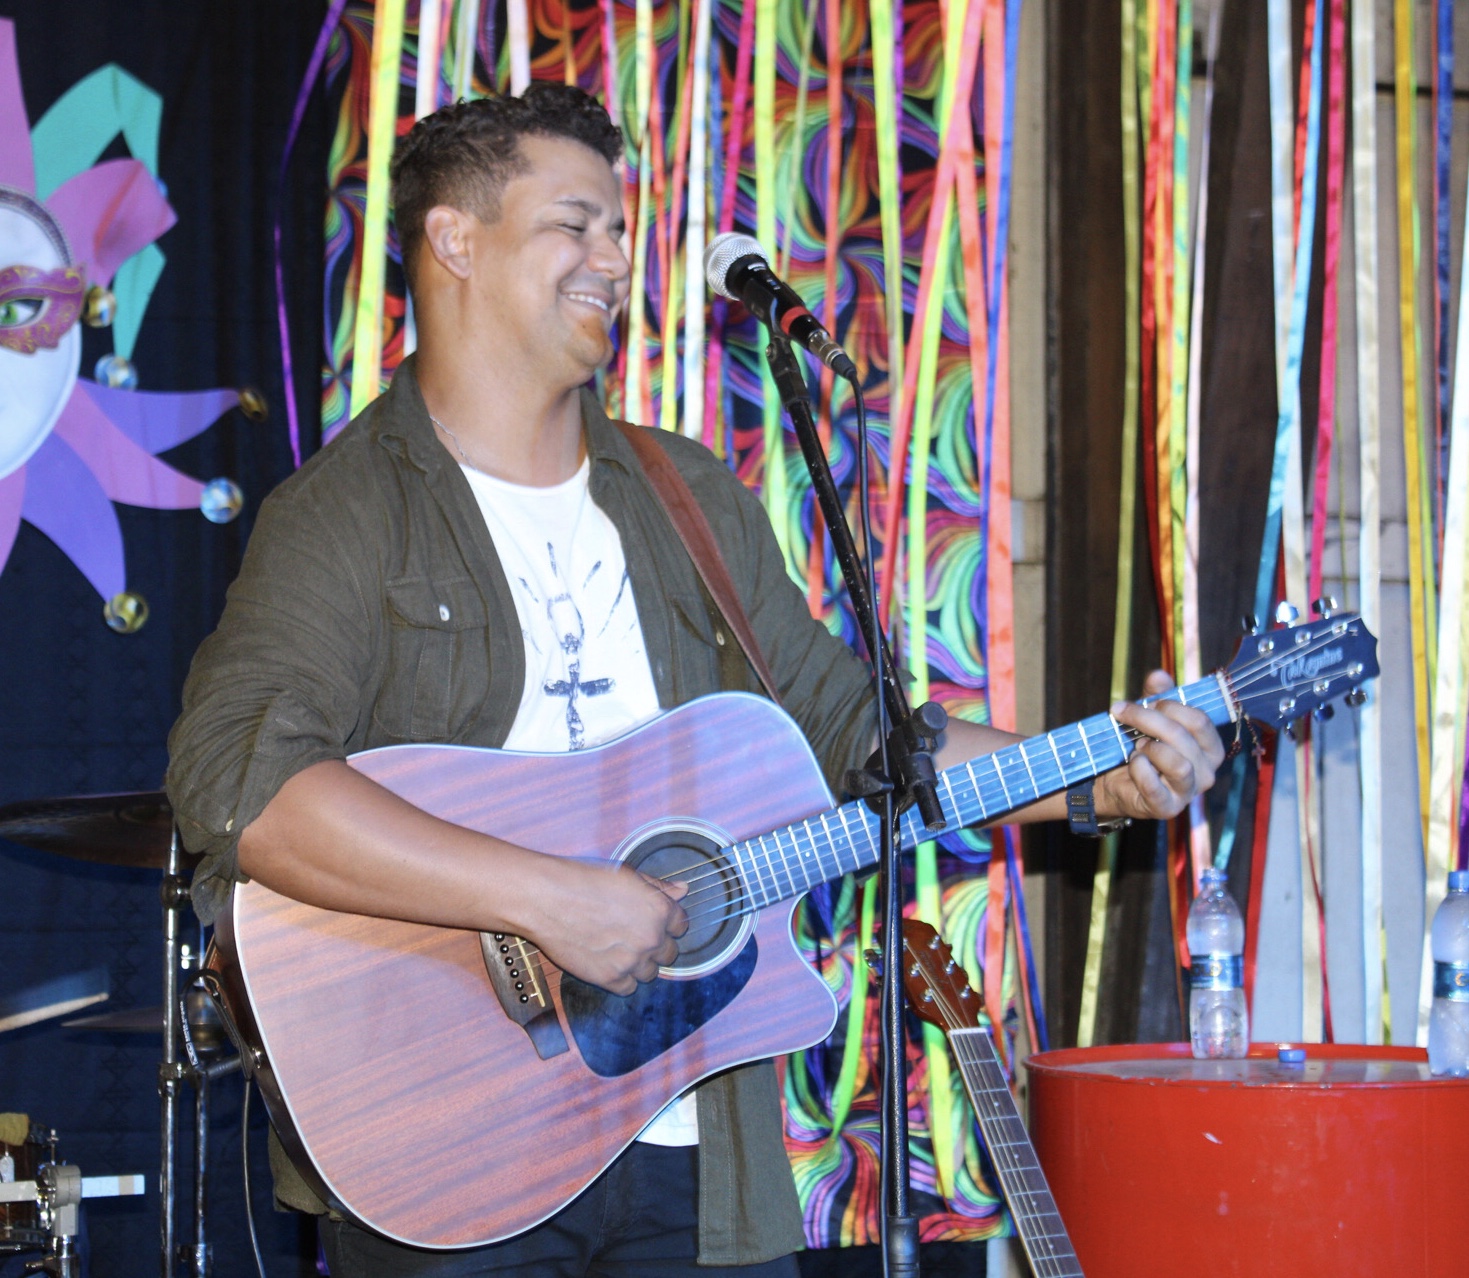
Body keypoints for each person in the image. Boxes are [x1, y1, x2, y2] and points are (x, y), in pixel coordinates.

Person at [166, 84, 1224, 1276]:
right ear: (454, 242)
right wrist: (545, 897)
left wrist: (1100, 779)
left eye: (618, 230)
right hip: (452, 1153)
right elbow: (243, 785)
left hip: (698, 1152)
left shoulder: (688, 498)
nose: (615, 258)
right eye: (575, 224)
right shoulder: (346, 513)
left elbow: (864, 740)